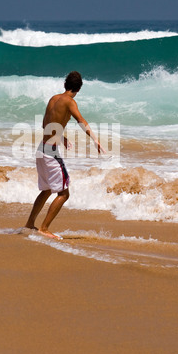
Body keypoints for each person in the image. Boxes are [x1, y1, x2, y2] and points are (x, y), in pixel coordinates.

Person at [25, 71, 106, 240]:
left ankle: (29, 224)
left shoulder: (53, 99)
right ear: (78, 88)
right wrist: (95, 140)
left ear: (65, 84)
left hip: (41, 149)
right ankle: (44, 228)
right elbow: (81, 121)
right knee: (64, 193)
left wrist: (61, 136)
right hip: (50, 153)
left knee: (47, 189)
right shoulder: (70, 102)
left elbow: (44, 124)